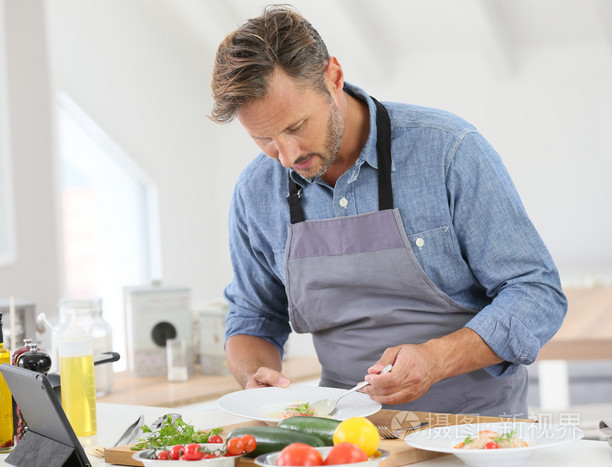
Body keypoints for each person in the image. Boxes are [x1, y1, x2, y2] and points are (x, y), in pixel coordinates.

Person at [209, 5, 566, 417]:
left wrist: (437, 359)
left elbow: (537, 293)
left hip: (475, 432)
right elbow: (253, 316)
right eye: (263, 138)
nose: (286, 156)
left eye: (295, 127)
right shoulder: (255, 191)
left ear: (334, 77)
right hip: (347, 439)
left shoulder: (448, 151)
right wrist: (256, 375)